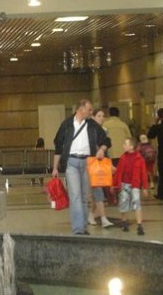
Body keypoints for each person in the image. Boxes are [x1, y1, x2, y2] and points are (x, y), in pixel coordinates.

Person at [52, 99, 111, 235]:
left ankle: (83, 227)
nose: (91, 112)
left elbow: (106, 140)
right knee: (75, 195)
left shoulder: (92, 125)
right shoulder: (67, 124)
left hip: (87, 163)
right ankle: (78, 228)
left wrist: (102, 149)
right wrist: (55, 167)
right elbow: (58, 146)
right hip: (71, 162)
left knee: (84, 197)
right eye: (89, 109)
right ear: (81, 109)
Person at [112, 138, 149, 235]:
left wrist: (145, 187)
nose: (123, 145)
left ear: (131, 146)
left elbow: (143, 173)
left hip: (135, 184)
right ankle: (124, 222)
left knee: (137, 202)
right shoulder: (123, 158)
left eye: (125, 144)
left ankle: (139, 225)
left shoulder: (140, 159)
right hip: (124, 184)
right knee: (123, 202)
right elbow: (118, 172)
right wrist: (114, 184)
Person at [88, 108, 114, 228]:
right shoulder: (89, 129)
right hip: (91, 164)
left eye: (103, 116)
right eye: (99, 116)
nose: (101, 118)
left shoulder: (104, 130)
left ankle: (91, 215)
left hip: (99, 164)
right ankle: (103, 218)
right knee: (98, 191)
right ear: (93, 117)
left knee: (96, 192)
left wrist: (109, 164)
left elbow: (107, 145)